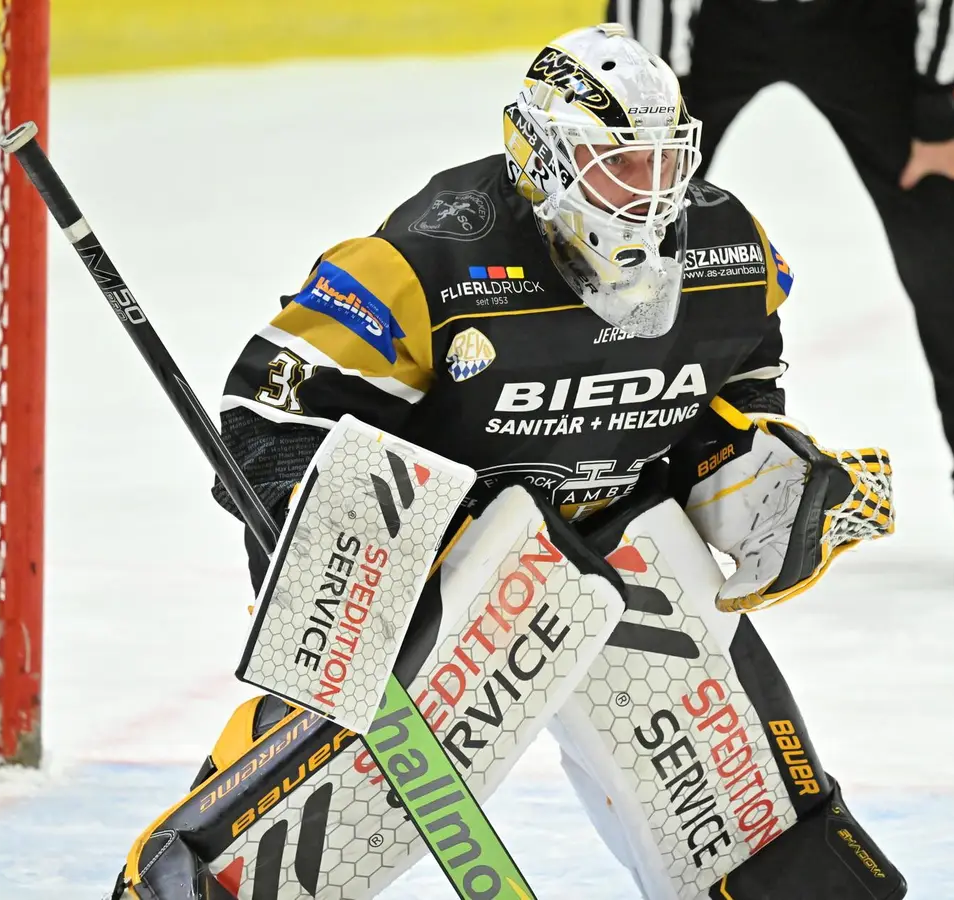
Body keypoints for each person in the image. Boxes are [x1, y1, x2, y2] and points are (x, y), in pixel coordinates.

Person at [109, 25, 906, 900]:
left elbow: (739, 379)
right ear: (542, 156)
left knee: (750, 820)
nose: (649, 194)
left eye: (664, 162)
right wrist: (346, 574)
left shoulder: (729, 251)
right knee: (311, 828)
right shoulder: (424, 260)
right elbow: (269, 415)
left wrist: (751, 472)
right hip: (452, 578)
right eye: (616, 163)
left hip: (620, 552)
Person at [608, 0, 954, 587]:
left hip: (864, 21)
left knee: (946, 206)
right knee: (619, 209)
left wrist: (939, 111)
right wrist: (645, 117)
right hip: (708, 20)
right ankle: (587, 464)